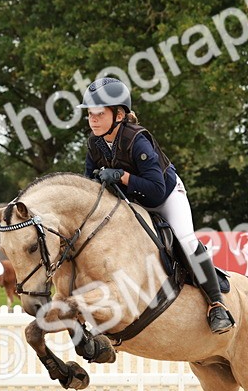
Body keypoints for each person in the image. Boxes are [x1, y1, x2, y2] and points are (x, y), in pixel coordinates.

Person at [79, 77, 233, 333]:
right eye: (90, 115)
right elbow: (89, 183)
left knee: (186, 240)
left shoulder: (137, 140)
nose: (93, 120)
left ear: (119, 115)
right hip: (134, 203)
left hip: (166, 197)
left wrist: (121, 176)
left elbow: (156, 189)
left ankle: (217, 304)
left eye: (99, 114)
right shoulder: (95, 143)